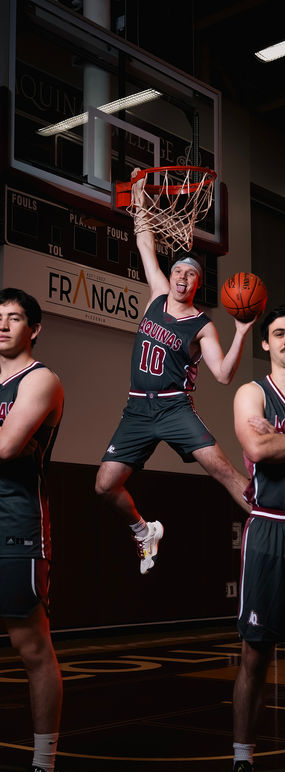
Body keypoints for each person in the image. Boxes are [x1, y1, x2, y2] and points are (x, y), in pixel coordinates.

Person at [95, 167, 255, 575]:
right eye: (179, 271)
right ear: (171, 276)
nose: (183, 277)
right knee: (104, 485)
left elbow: (223, 375)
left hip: (173, 407)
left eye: (191, 274)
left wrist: (240, 333)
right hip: (136, 409)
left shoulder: (202, 325)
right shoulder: (158, 294)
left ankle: (275, 522)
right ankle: (144, 530)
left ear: (198, 284)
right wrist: (138, 195)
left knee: (223, 470)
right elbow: (144, 240)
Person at [0, 288, 64, 772]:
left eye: (14, 317)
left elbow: (6, 446)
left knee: (32, 648)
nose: (2, 324)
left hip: (15, 524)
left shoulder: (41, 380)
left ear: (34, 329)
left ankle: (44, 769)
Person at [221, 304, 285, 772]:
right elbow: (258, 450)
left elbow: (270, 442)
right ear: (266, 342)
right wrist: (268, 442)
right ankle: (242, 766)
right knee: (254, 655)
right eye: (280, 333)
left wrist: (276, 436)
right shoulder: (252, 392)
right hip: (271, 529)